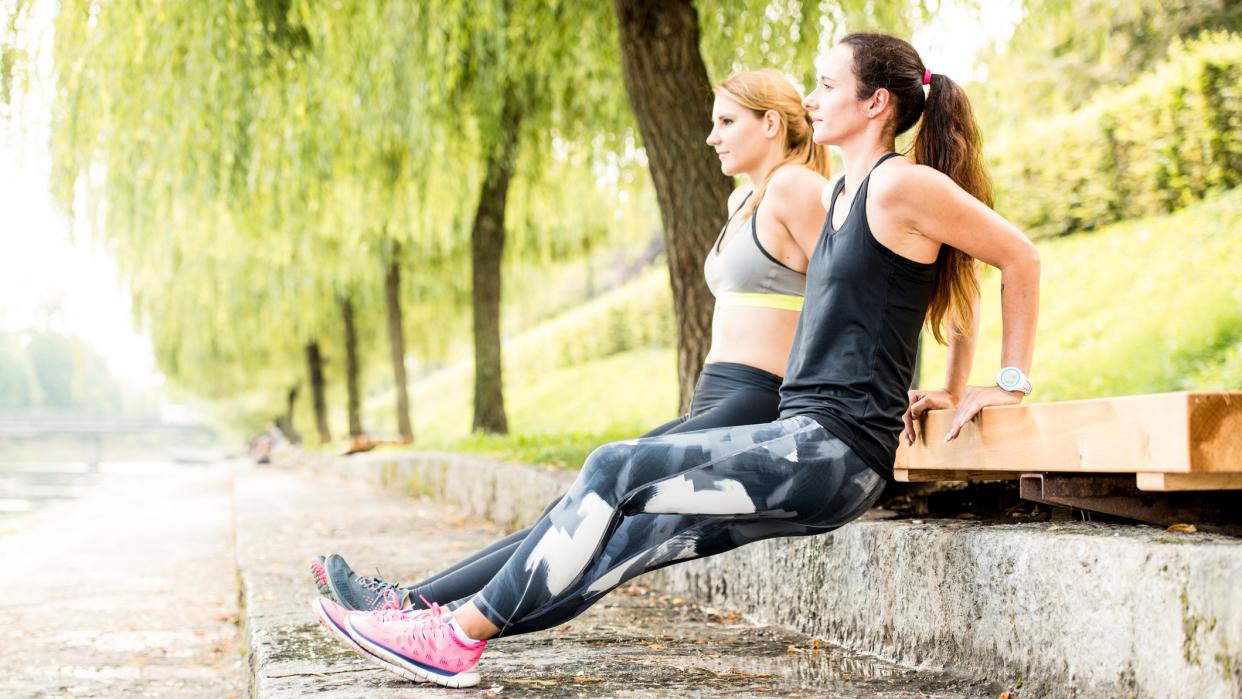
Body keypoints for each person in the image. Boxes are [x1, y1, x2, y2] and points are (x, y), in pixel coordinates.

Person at [316, 31, 1040, 689]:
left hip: (835, 453)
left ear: (875, 101)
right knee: (625, 537)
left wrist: (1003, 383)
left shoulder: (902, 183)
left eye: (826, 85)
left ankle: (448, 637)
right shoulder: (848, 189)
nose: (812, 98)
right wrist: (942, 387)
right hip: (806, 437)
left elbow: (1015, 256)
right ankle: (439, 625)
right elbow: (950, 283)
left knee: (609, 468)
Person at [311, 68, 833, 617]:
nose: (712, 136)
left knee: (588, 516)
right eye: (712, 123)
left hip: (757, 399)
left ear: (771, 122)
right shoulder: (741, 202)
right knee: (574, 513)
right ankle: (415, 604)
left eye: (726, 121)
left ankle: (414, 607)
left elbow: (851, 298)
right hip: (718, 394)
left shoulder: (799, 188)